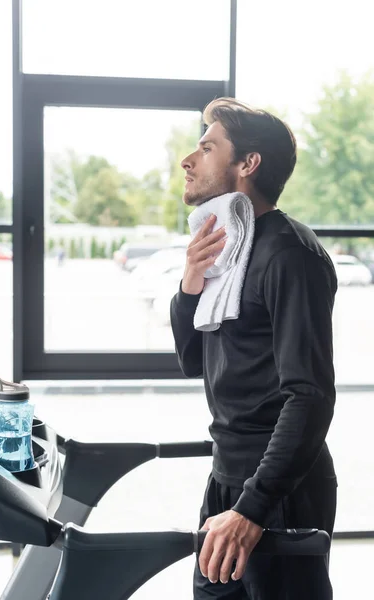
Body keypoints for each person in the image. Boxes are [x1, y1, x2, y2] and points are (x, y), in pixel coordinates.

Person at [170, 98, 338, 600]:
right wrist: (190, 284)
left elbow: (309, 396)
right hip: (227, 476)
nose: (188, 159)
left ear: (248, 163)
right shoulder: (234, 250)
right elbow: (191, 362)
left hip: (277, 490)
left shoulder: (289, 255)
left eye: (207, 147)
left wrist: (253, 507)